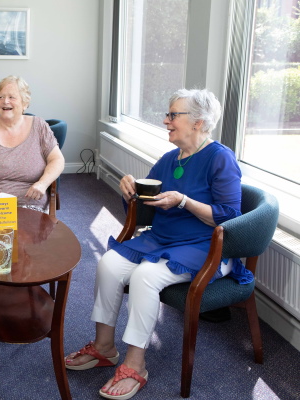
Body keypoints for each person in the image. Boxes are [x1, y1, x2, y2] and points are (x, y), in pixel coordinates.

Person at [64, 89, 253, 399]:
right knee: (109, 264)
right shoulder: (169, 159)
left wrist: (185, 202)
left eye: (172, 115)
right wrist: (130, 192)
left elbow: (229, 217)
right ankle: (104, 346)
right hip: (162, 238)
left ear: (198, 123)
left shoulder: (221, 158)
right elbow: (146, 207)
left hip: (203, 244)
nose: (166, 120)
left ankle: (136, 364)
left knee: (145, 276)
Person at [0, 75, 65, 211]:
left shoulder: (39, 126)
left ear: (25, 103)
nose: (5, 101)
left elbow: (57, 159)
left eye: (12, 97)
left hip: (29, 199)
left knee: (29, 231)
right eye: (1, 97)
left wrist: (42, 184)